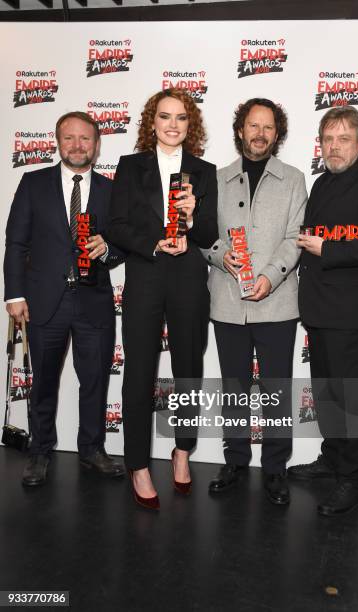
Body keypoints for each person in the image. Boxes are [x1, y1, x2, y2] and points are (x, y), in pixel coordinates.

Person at [106, 89, 218, 510]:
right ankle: (137, 463)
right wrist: (154, 243)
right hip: (147, 277)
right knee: (138, 371)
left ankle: (182, 451)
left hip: (189, 278)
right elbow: (116, 226)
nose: (173, 125)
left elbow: (209, 235)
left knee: (189, 366)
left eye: (182, 118)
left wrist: (189, 219)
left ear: (192, 126)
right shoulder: (131, 167)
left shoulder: (204, 172)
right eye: (165, 116)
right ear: (151, 121)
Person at [4, 111, 125, 487]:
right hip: (43, 301)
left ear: (96, 144)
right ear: (58, 142)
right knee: (42, 382)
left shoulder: (110, 190)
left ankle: (91, 449)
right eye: (69, 138)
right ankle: (40, 449)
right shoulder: (33, 183)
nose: (77, 145)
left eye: (85, 139)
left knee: (94, 381)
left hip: (94, 302)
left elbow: (123, 246)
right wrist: (14, 294)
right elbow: (16, 243)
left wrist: (108, 249)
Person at [288, 107, 358, 515]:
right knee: (327, 395)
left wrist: (329, 249)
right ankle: (331, 459)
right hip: (317, 309)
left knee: (349, 399)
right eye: (328, 140)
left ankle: (351, 478)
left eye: (343, 139)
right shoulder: (320, 183)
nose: (334, 147)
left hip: (350, 311)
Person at [203, 98, 307, 505]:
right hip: (228, 302)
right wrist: (217, 253)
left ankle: (276, 468)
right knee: (234, 388)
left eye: (268, 127)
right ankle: (235, 461)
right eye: (252, 126)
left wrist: (270, 276)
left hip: (277, 303)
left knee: (276, 389)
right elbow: (202, 234)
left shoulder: (295, 178)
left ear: (276, 134)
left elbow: (295, 236)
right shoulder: (217, 178)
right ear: (240, 130)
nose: (259, 134)